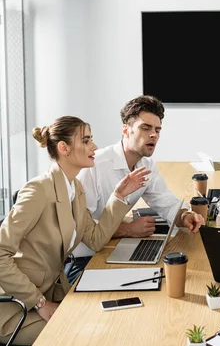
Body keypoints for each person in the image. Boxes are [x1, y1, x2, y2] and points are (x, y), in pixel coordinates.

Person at [0, 116, 149, 346]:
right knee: (88, 335)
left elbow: (96, 240)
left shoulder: (75, 188)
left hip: (50, 292)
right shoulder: (38, 191)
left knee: (116, 317)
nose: (95, 147)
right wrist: (39, 303)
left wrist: (117, 196)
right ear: (64, 148)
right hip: (16, 307)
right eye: (86, 141)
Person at [68, 95, 204, 282]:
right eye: (145, 128)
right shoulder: (94, 165)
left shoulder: (146, 165)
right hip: (82, 259)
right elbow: (78, 229)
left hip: (111, 248)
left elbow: (165, 202)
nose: (153, 135)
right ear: (126, 130)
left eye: (157, 130)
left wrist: (185, 216)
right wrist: (126, 229)